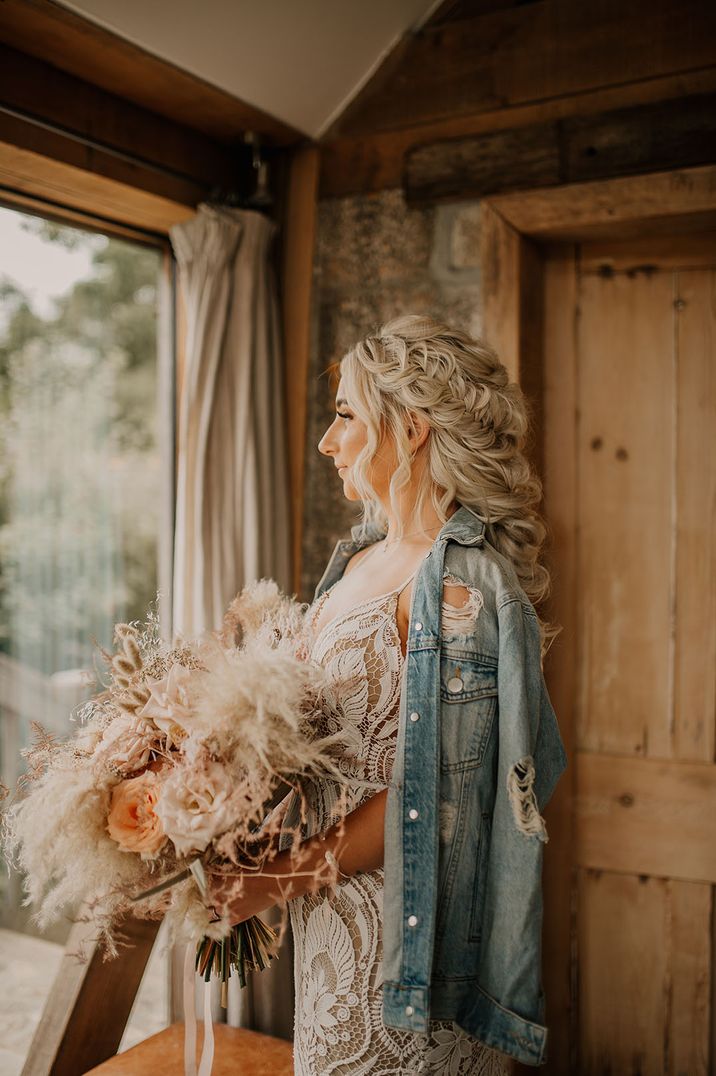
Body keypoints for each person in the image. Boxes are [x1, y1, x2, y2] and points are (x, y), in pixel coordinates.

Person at [207, 314, 568, 1072]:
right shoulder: (360, 562)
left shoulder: (465, 585)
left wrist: (271, 882)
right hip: (331, 931)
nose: (326, 441)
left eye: (344, 415)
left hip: (407, 957)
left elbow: (436, 797)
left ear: (409, 430)